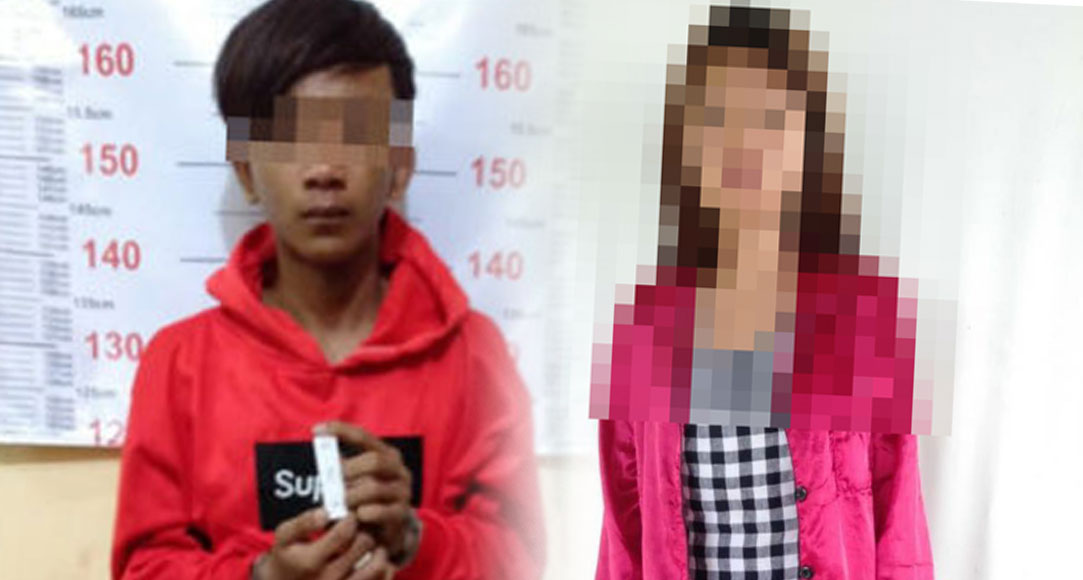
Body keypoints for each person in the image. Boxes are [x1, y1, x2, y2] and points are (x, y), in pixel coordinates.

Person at [110, 1, 544, 578]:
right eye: (291, 139)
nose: (323, 171)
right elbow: (143, 566)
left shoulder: (472, 355)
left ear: (399, 165)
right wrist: (262, 576)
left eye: (353, 137)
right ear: (245, 170)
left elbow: (522, 559)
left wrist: (415, 541)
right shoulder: (180, 365)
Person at [593, 6, 933, 579]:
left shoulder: (866, 320)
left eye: (771, 119)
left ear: (809, 143)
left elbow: (900, 526)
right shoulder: (640, 334)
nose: (745, 145)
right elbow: (623, 535)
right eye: (720, 119)